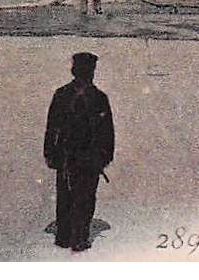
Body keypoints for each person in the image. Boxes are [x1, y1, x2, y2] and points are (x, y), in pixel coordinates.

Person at [44, 52, 115, 252]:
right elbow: (107, 132)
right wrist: (104, 157)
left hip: (73, 157)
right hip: (84, 158)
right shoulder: (97, 97)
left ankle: (66, 237)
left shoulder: (63, 94)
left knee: (69, 196)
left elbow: (52, 129)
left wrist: (51, 154)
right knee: (83, 198)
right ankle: (76, 237)